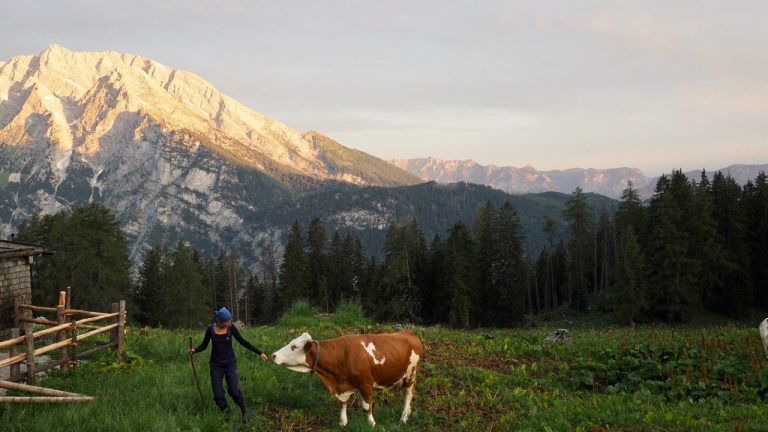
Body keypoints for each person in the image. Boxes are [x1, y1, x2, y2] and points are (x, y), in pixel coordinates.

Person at [188, 307, 268, 417]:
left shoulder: (231, 328)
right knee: (218, 395)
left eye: (230, 320)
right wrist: (195, 350)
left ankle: (244, 409)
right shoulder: (210, 330)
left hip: (230, 364)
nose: (230, 323)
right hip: (216, 366)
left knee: (234, 392)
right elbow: (204, 345)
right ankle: (226, 413)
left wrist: (259, 353)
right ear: (220, 321)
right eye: (228, 321)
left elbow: (243, 341)